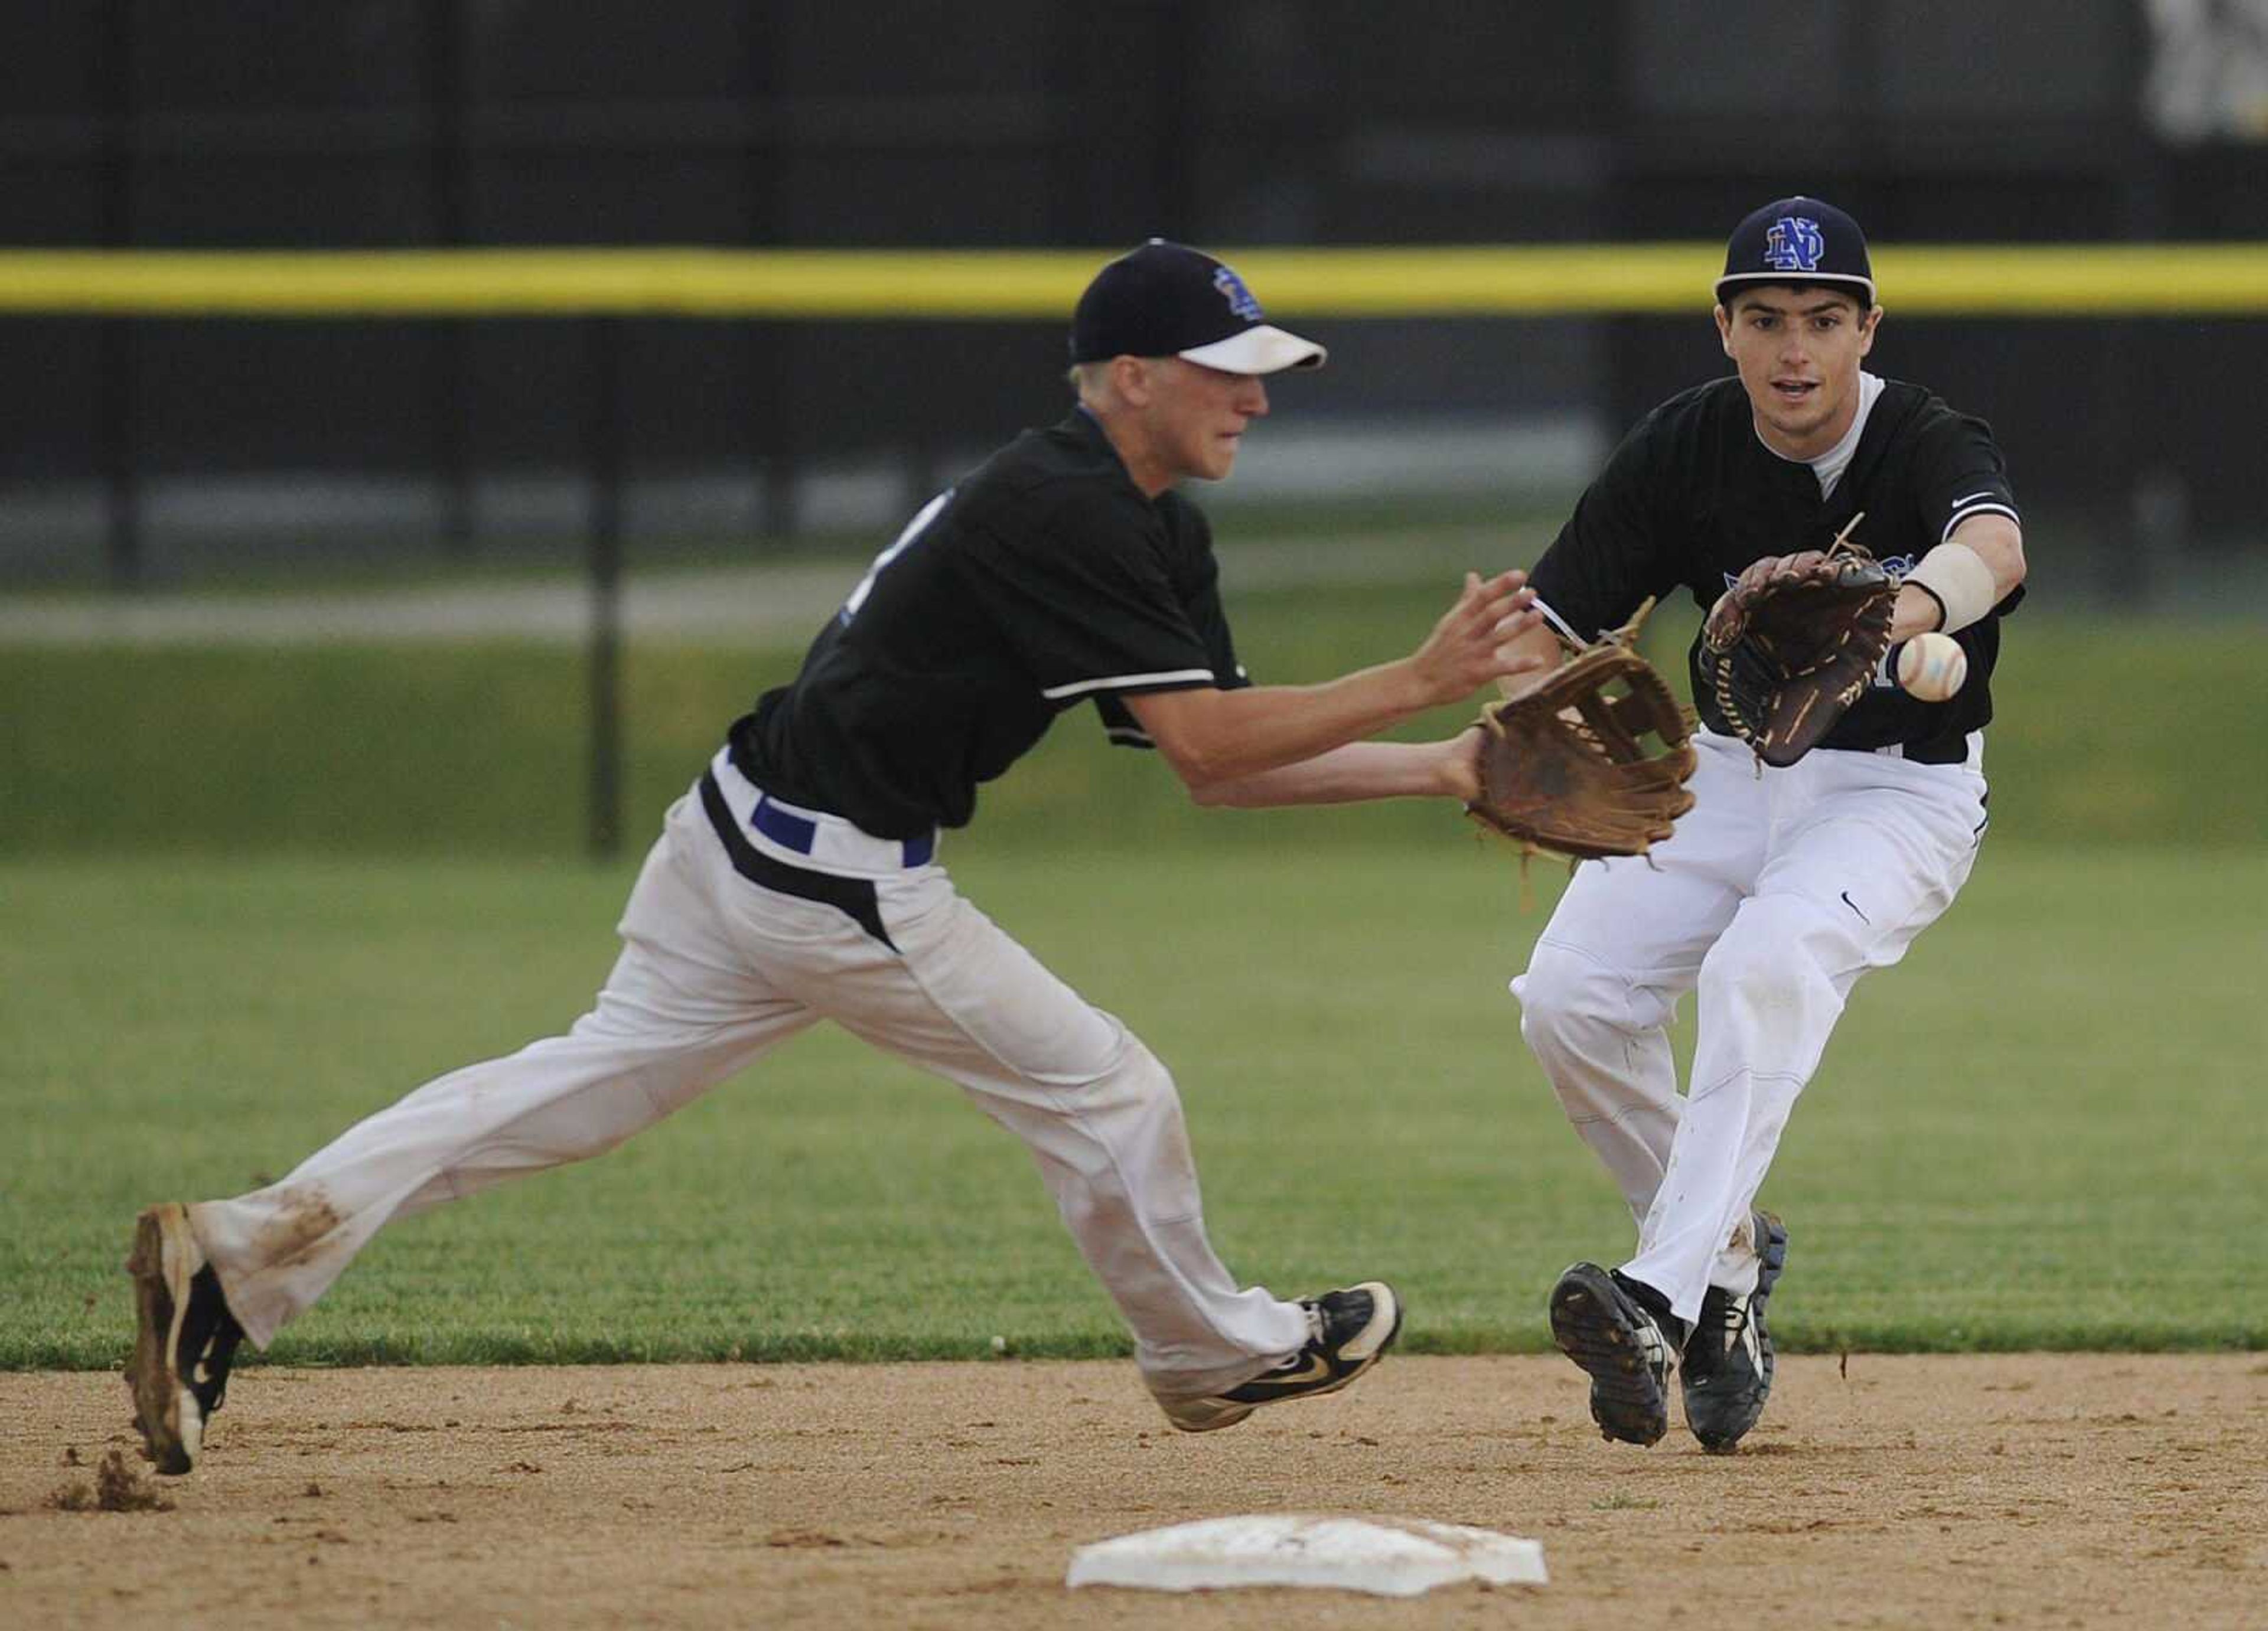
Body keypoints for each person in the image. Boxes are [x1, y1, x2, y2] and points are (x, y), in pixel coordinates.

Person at [125, 239, 1546, 1474]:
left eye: (1264, 367)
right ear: (1127, 374)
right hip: (830, 871)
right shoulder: (1065, 508)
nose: (1256, 392)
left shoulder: (1149, 527)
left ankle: (239, 1258)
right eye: (1223, 364)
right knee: (1110, 1091)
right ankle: (1211, 1354)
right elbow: (1214, 747)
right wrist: (1419, 680)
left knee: (569, 1095)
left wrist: (1442, 766)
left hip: (744, 829)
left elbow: (1219, 763)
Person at [1503, 197, 2026, 1453]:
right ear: (1726, 327)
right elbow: (1552, 620)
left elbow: (1994, 546)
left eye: (1826, 319)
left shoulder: (1921, 435)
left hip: (1896, 789)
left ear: (1867, 327)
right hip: (1730, 772)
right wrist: (1534, 724)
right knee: (1569, 1001)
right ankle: (1727, 1270)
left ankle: (1654, 1295)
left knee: (1764, 963)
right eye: (1768, 319)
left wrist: (1900, 607)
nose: (1797, 350)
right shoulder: (1685, 445)